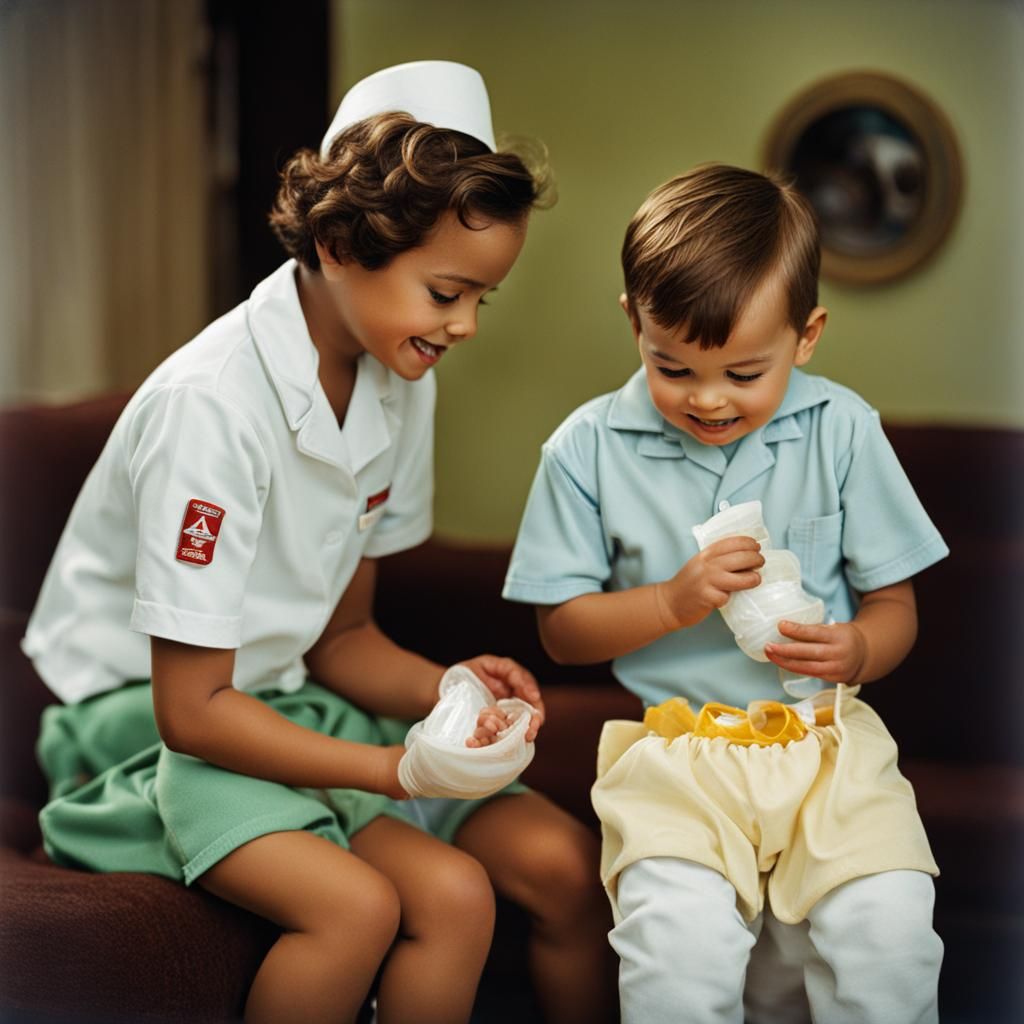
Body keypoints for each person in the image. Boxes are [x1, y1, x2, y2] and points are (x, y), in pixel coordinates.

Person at [23, 61, 612, 1024]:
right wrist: (394, 770)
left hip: (281, 695)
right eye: (446, 291)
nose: (465, 326)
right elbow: (192, 711)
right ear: (339, 246)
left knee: (552, 867)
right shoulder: (210, 408)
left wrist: (453, 691)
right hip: (148, 719)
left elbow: (340, 639)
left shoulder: (401, 376)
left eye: (482, 299)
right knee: (371, 905)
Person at [501, 162, 947, 1024]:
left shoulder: (843, 430)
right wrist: (669, 602)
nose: (708, 401)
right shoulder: (585, 450)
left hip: (827, 746)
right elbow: (561, 632)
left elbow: (896, 608)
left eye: (744, 374)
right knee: (677, 954)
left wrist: (860, 646)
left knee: (888, 936)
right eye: (672, 368)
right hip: (679, 757)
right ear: (633, 323)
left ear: (806, 336)